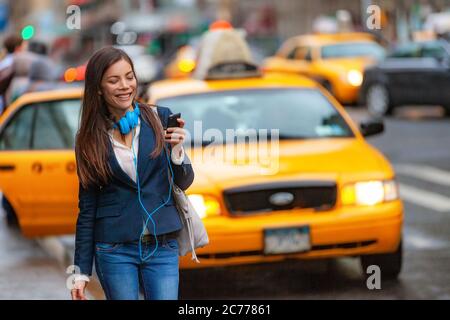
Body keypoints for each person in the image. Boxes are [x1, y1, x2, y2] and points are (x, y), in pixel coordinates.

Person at [71, 46, 194, 300]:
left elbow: (184, 182)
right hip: (114, 250)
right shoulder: (88, 139)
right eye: (114, 80)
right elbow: (87, 208)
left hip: (162, 246)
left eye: (129, 76)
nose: (125, 86)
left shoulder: (160, 119)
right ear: (98, 88)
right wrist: (81, 272)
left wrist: (177, 152)